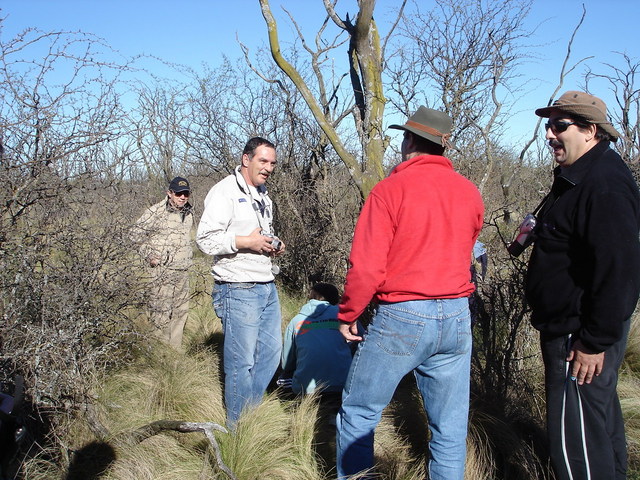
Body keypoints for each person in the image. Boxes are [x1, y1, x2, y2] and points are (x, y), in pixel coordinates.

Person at [336, 106, 484, 480]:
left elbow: (367, 266)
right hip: (455, 315)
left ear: (410, 140)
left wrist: (349, 314)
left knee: (360, 413)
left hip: (403, 313)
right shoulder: (469, 193)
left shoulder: (389, 191)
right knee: (449, 430)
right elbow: (468, 250)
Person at [525, 91, 640, 480]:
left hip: (578, 335)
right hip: (577, 329)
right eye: (548, 126)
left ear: (591, 130)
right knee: (596, 426)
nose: (549, 135)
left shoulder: (604, 184)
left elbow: (620, 271)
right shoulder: (579, 175)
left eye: (560, 126)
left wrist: (593, 342)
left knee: (575, 445)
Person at [196, 136, 285, 428]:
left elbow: (260, 233)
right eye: (263, 161)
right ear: (246, 159)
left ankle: (249, 411)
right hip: (237, 286)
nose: (269, 167)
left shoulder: (263, 193)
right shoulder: (224, 192)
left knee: (271, 355)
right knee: (241, 362)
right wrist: (245, 242)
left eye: (272, 163)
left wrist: (273, 243)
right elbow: (205, 240)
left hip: (265, 283)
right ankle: (238, 430)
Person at [132, 176, 193, 350]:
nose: (182, 197)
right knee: (160, 315)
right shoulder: (155, 212)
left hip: (182, 272)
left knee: (181, 313)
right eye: (178, 193)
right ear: (169, 193)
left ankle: (175, 353)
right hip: (161, 272)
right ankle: (159, 355)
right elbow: (134, 235)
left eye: (186, 194)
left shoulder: (188, 213)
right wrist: (149, 255)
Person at [280, 283, 355, 397]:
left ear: (313, 296)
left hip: (305, 389)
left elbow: (286, 363)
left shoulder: (297, 320)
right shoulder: (345, 316)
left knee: (284, 379)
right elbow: (360, 342)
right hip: (343, 386)